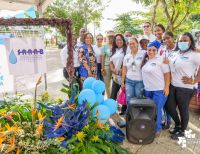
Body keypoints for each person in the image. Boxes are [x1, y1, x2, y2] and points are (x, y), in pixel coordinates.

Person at [165, 32, 200, 140]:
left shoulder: (194, 54)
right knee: (169, 107)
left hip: (185, 88)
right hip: (173, 85)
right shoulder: (175, 53)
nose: (182, 42)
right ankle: (178, 124)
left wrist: (194, 80)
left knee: (183, 109)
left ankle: (183, 131)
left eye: (185, 41)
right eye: (180, 40)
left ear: (190, 42)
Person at [141, 41, 170, 135]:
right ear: (146, 50)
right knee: (149, 110)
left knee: (157, 109)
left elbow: (167, 74)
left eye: (154, 50)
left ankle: (157, 129)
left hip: (159, 90)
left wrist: (166, 87)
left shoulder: (161, 60)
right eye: (149, 50)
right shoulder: (146, 61)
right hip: (147, 90)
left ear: (157, 50)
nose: (151, 52)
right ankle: (150, 126)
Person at [110, 34, 127, 115]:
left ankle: (124, 110)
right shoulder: (113, 50)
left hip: (124, 76)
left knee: (124, 93)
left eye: (120, 39)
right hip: (115, 76)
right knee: (113, 93)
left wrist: (121, 69)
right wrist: (113, 70)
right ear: (115, 41)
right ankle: (111, 108)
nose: (119, 41)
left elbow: (126, 61)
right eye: (117, 40)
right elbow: (110, 61)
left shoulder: (126, 49)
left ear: (123, 40)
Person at [101, 30, 115, 97]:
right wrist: (102, 68)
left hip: (115, 67)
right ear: (107, 37)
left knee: (116, 84)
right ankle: (109, 99)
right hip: (107, 67)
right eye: (109, 36)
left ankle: (116, 100)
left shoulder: (116, 45)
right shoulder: (104, 46)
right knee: (107, 84)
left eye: (112, 36)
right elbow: (102, 58)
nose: (111, 38)